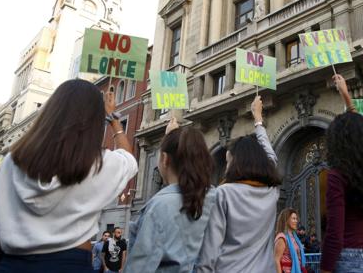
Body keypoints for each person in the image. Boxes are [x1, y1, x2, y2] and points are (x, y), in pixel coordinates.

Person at [0, 79, 138, 273]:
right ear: (93, 122)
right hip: (71, 264)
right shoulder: (97, 164)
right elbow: (129, 158)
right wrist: (114, 121)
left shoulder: (14, 161)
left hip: (13, 264)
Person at [197, 95, 282, 272]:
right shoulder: (271, 192)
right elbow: (271, 158)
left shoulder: (223, 194)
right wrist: (258, 119)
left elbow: (209, 252)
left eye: (228, 161)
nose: (226, 167)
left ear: (237, 163)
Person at [124, 117, 216, 272]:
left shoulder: (158, 207)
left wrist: (172, 140)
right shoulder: (216, 198)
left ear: (165, 159)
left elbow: (139, 268)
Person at [320, 74, 363, 273]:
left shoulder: (336, 176)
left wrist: (324, 269)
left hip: (347, 261)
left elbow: (335, 233)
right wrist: (347, 97)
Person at [275, 208, 307, 273]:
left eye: (296, 219)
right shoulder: (282, 237)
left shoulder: (295, 237)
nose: (296, 221)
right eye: (293, 218)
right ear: (286, 220)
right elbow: (276, 260)